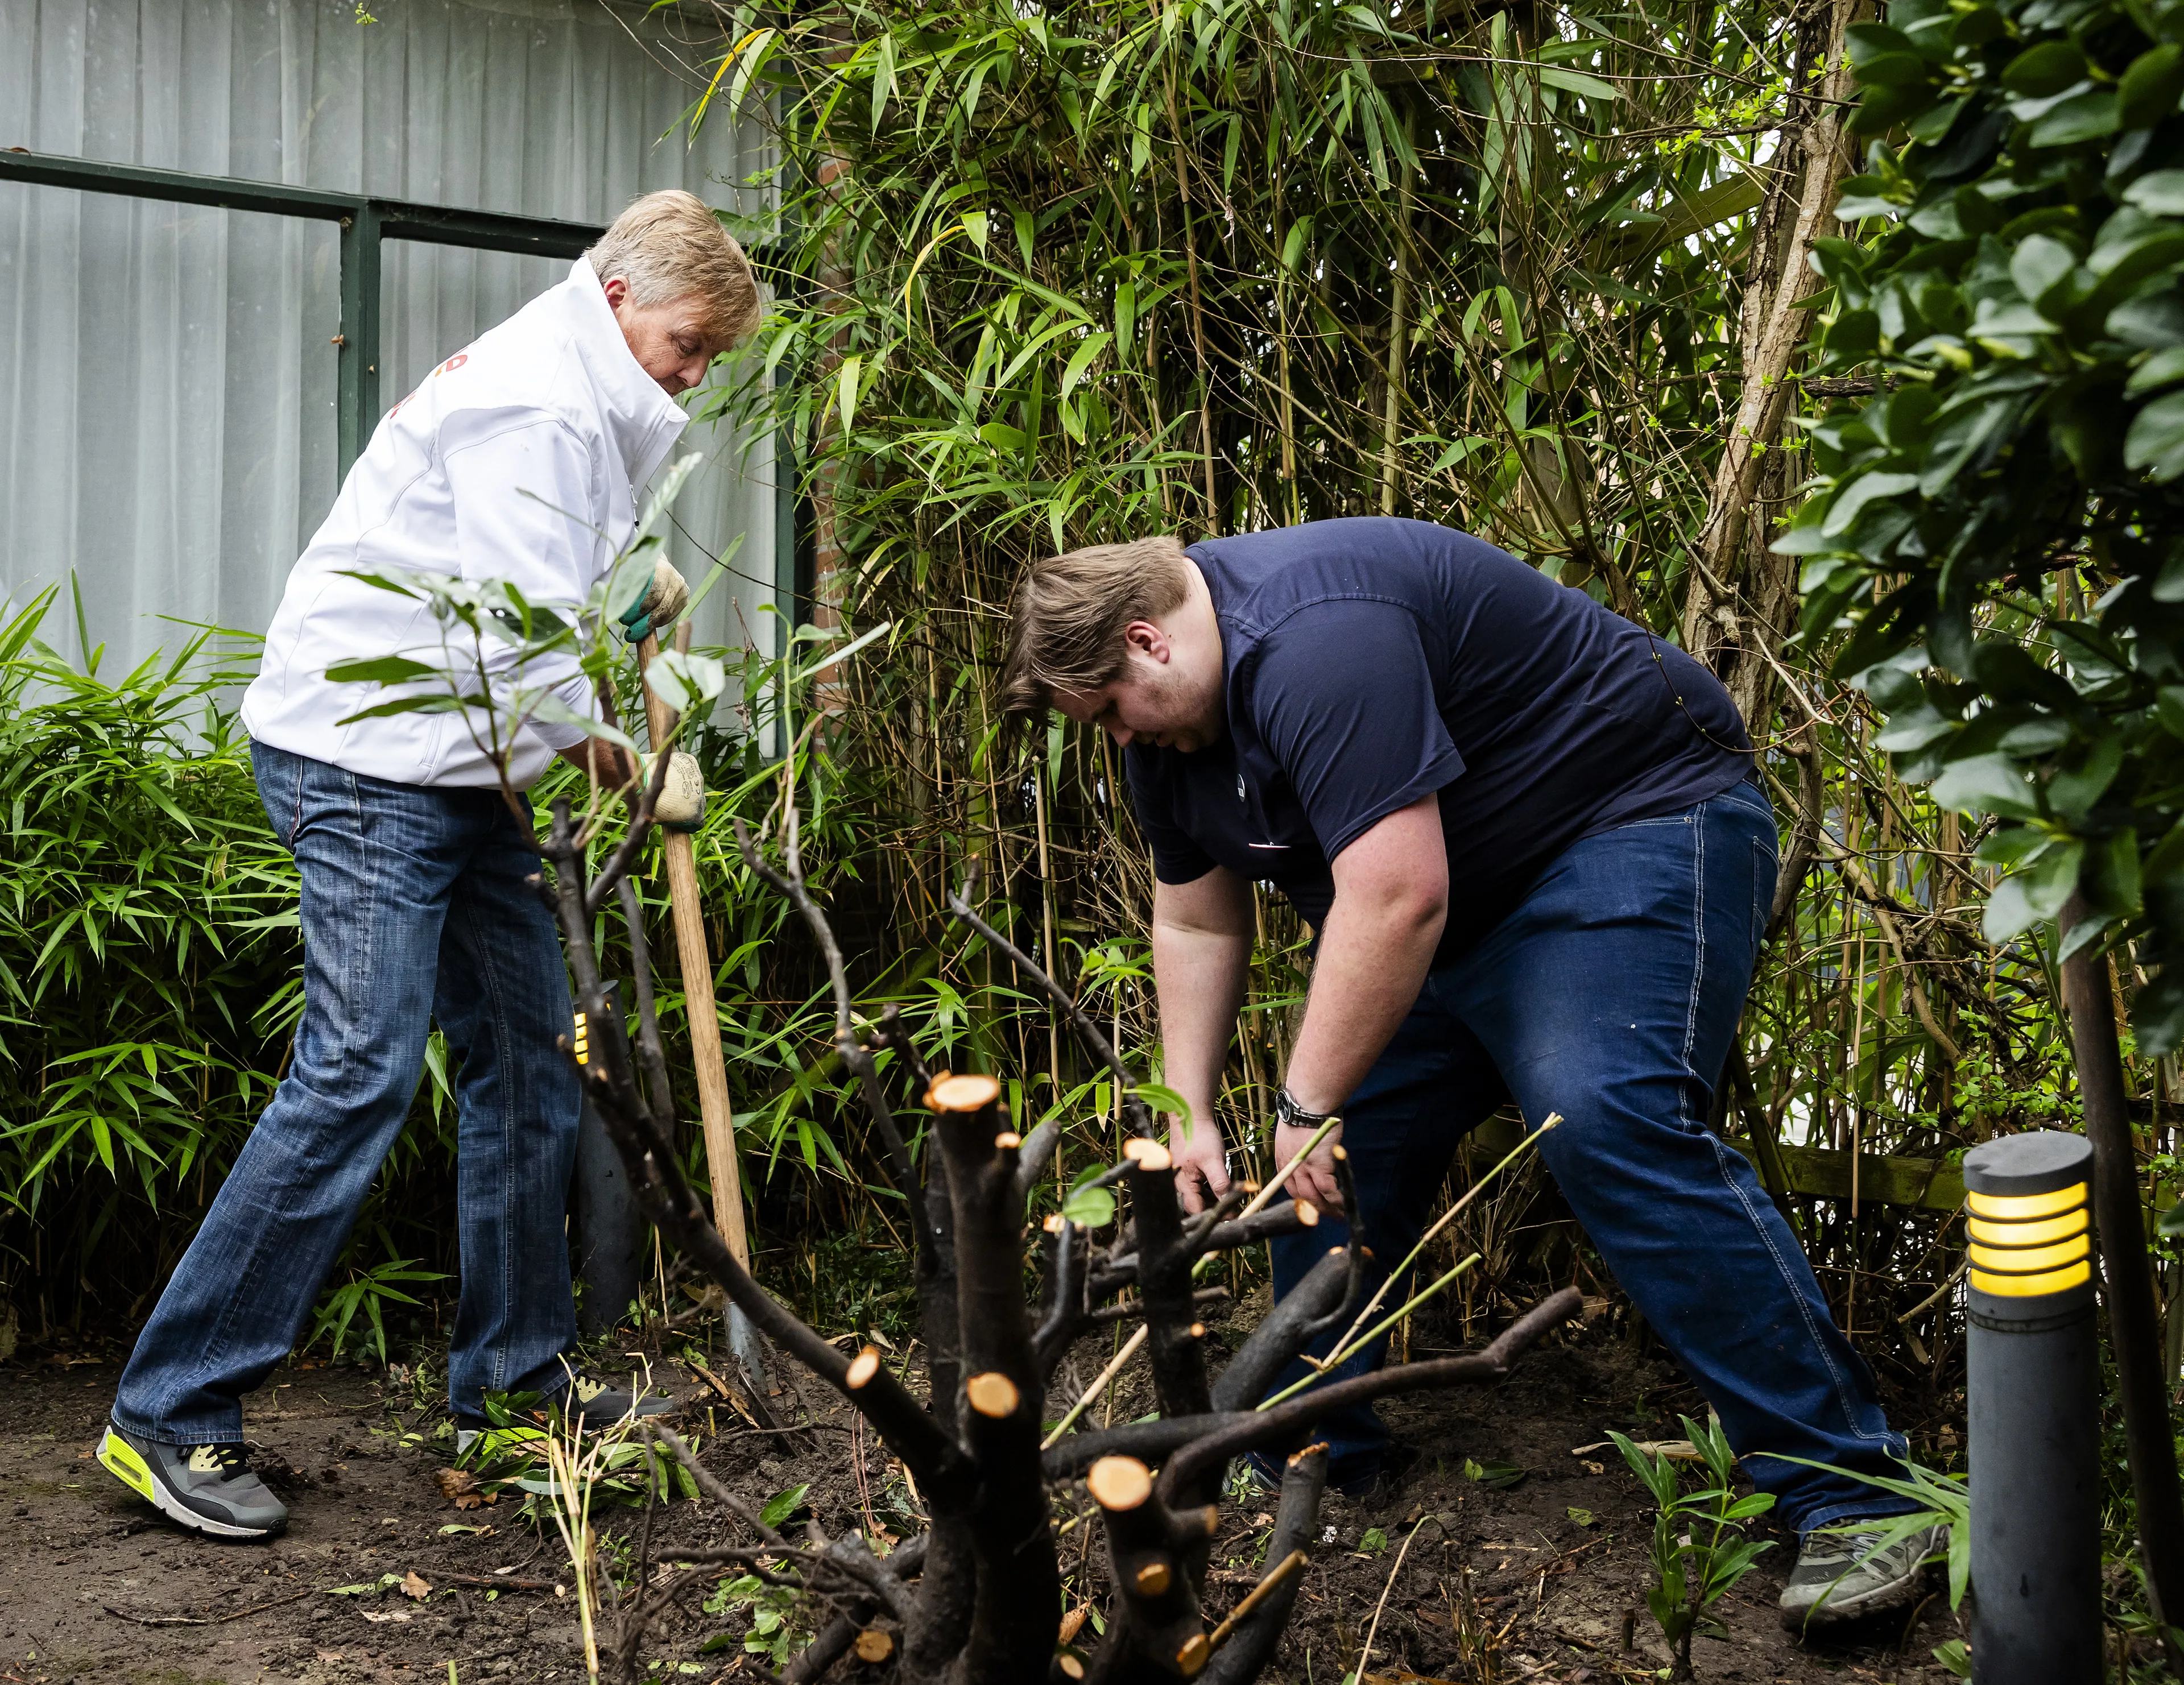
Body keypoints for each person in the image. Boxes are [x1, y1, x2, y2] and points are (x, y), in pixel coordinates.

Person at [1002, 517, 1934, 1631]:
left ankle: (1859, 1488)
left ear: (1148, 642)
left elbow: (1398, 895)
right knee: (1329, 1153)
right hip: (1455, 910)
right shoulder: (1168, 740)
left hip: (1634, 826)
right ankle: (1317, 1457)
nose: (1117, 740)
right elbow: (1198, 919)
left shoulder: (1315, 639)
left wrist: (1303, 1103)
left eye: (1109, 709)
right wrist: (1193, 1107)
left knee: (1598, 1112)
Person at [96, 189, 760, 1541]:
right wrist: (631, 762)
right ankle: (166, 1412)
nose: (696, 374)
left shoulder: (580, 376)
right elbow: (514, 659)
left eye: (711, 359)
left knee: (529, 1062)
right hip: (364, 757)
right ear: (620, 293)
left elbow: (525, 589)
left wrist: (617, 591)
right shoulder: (542, 400)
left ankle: (512, 1393)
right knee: (360, 1066)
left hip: (460, 763)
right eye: (690, 344)